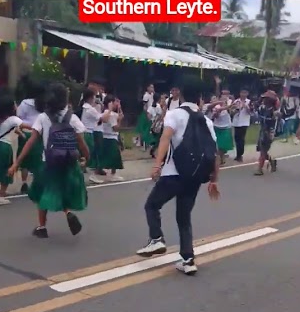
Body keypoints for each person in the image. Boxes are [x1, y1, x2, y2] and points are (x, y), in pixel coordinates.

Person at [136, 77, 220, 276]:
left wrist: (157, 165)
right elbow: (214, 153)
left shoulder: (175, 115)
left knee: (152, 205)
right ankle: (188, 260)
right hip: (194, 177)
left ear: (181, 94)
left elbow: (165, 138)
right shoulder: (206, 121)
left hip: (173, 173)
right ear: (200, 98)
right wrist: (214, 180)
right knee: (184, 218)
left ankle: (156, 238)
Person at [7, 83, 90, 239]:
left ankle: (42, 227)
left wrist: (17, 162)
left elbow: (31, 141)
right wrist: (87, 156)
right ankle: (68, 211)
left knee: (42, 193)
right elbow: (81, 141)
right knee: (62, 190)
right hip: (69, 162)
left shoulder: (43, 117)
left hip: (49, 162)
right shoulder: (72, 117)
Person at [14, 87, 42, 192]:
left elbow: (18, 117)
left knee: (24, 158)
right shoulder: (43, 102)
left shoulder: (25, 103)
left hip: (25, 132)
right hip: (38, 133)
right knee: (37, 159)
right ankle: (36, 182)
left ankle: (24, 182)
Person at [92, 93, 124, 181]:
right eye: (115, 102)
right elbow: (116, 128)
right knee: (112, 157)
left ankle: (111, 174)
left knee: (108, 157)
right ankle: (109, 174)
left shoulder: (106, 112)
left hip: (105, 136)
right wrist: (120, 120)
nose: (116, 104)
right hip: (111, 138)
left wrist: (119, 108)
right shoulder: (111, 115)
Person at [252, 90, 279, 175]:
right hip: (262, 130)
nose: (265, 100)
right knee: (261, 149)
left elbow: (274, 123)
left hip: (269, 132)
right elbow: (253, 107)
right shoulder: (262, 108)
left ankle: (260, 169)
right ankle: (272, 160)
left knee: (263, 150)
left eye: (267, 99)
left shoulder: (274, 111)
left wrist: (270, 134)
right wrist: (259, 100)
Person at [232, 88, 251, 162]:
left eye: (245, 93)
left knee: (241, 139)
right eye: (242, 93)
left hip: (244, 122)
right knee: (236, 138)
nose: (243, 94)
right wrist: (235, 109)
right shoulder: (236, 101)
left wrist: (245, 106)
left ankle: (240, 154)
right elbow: (232, 111)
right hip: (236, 122)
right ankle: (238, 154)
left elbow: (251, 112)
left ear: (247, 94)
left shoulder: (249, 102)